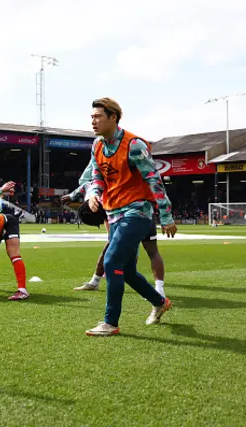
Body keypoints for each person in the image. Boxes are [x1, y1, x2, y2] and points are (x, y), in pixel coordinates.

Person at [83, 98, 176, 336]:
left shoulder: (134, 145)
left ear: (113, 117)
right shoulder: (97, 146)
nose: (93, 121)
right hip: (114, 213)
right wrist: (94, 194)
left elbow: (154, 179)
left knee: (111, 262)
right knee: (126, 271)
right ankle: (160, 302)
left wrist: (165, 215)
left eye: (98, 117)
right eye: (92, 117)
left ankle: (110, 323)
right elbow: (97, 176)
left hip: (138, 211)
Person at [63, 160, 167, 297]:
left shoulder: (111, 181)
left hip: (132, 216)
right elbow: (87, 186)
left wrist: (166, 216)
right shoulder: (116, 178)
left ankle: (158, 293)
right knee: (147, 252)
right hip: (140, 214)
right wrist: (72, 195)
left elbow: (87, 185)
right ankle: (158, 291)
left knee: (132, 255)